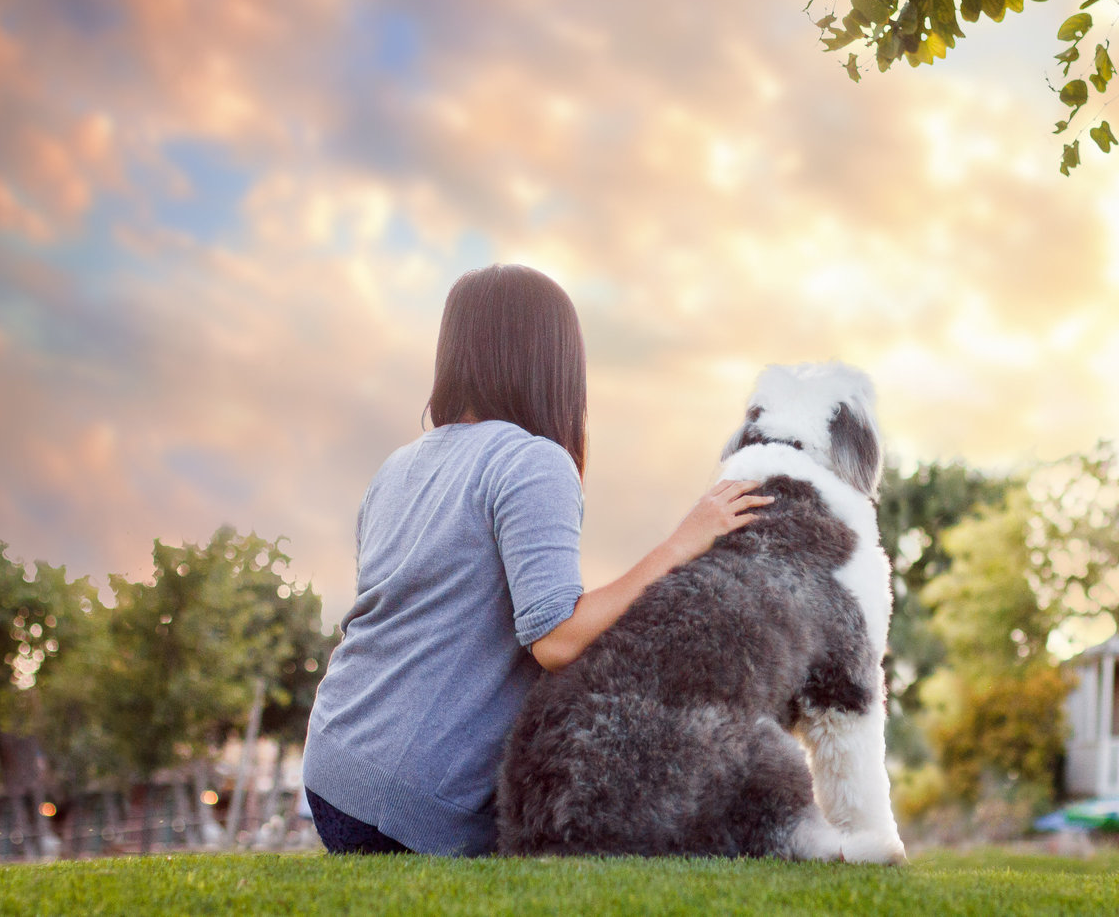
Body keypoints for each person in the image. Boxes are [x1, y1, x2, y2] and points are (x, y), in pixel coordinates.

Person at [300, 264, 772, 856]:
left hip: (332, 758)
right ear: (552, 360)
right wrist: (682, 543)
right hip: (406, 795)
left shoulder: (399, 466)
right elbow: (556, 638)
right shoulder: (531, 462)